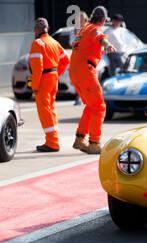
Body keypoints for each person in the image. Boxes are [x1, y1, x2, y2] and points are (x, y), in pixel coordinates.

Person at [69, 6, 116, 154]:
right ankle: (94, 143)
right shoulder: (95, 29)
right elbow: (100, 37)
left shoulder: (83, 29)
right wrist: (108, 45)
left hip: (75, 72)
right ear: (102, 20)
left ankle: (80, 138)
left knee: (91, 106)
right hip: (85, 71)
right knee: (100, 107)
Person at [29, 18, 70, 152]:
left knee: (44, 111)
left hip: (44, 80)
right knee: (51, 110)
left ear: (36, 29)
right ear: (47, 28)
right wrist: (57, 74)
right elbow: (65, 60)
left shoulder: (37, 43)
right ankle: (53, 140)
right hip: (53, 79)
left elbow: (37, 68)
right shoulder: (54, 42)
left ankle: (52, 143)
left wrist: (34, 86)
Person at [69, 11, 89, 106]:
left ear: (85, 19)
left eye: (81, 18)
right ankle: (79, 97)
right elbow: (71, 43)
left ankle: (84, 98)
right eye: (78, 19)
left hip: (86, 57)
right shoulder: (74, 30)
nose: (79, 20)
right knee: (77, 79)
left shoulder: (88, 29)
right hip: (76, 57)